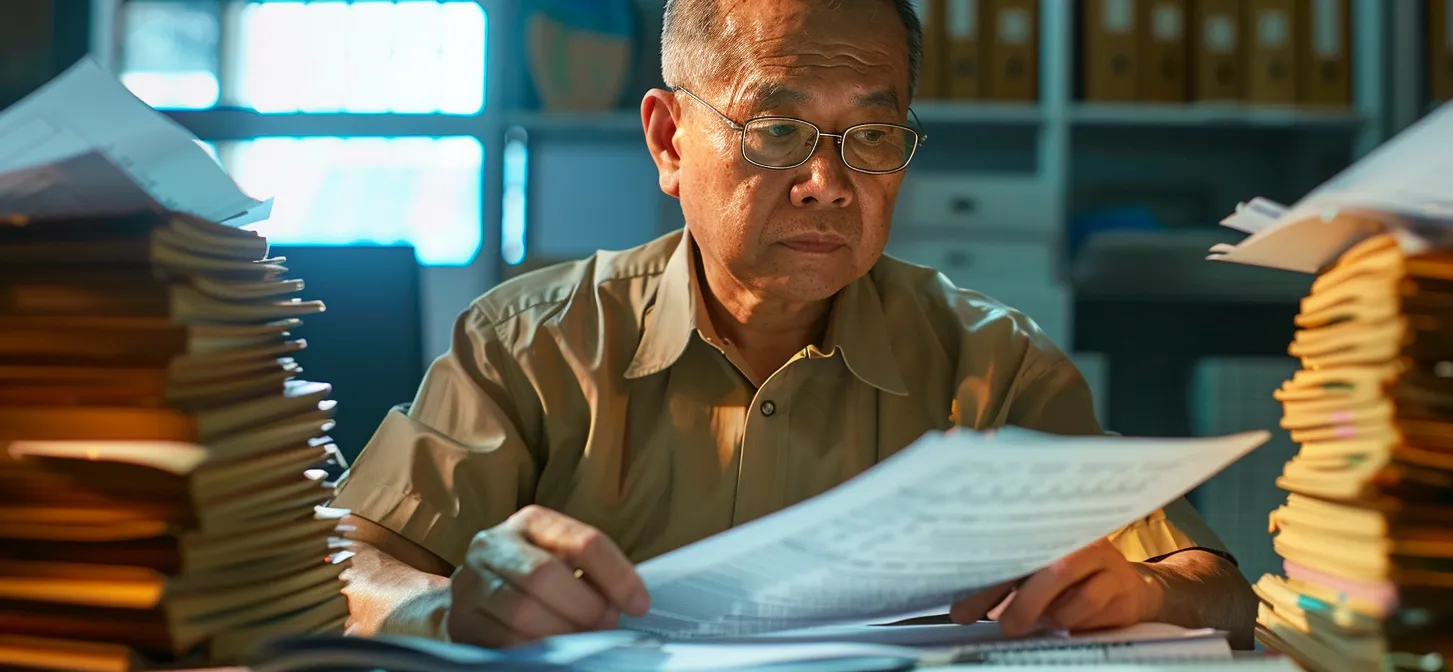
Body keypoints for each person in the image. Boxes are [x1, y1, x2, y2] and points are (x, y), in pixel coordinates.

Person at [330, 0, 1255, 651]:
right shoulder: (530, 343)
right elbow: (350, 567)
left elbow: (1218, 590)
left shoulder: (994, 364)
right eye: (776, 130)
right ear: (667, 140)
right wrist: (447, 605)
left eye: (874, 137)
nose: (828, 181)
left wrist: (1139, 590)